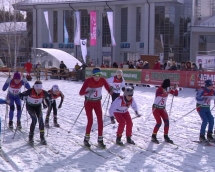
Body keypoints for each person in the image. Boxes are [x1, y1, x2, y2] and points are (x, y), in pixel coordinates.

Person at [79, 67, 112, 148]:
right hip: (88, 103)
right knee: (90, 121)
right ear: (93, 75)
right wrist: (88, 91)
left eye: (99, 75)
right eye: (96, 75)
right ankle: (86, 139)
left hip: (97, 103)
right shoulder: (88, 80)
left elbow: (108, 89)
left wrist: (111, 91)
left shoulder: (102, 80)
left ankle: (100, 139)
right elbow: (81, 92)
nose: (98, 77)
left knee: (100, 121)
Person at [19, 80, 52, 145]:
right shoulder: (30, 91)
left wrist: (50, 99)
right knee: (34, 120)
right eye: (37, 89)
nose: (39, 91)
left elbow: (49, 96)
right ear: (34, 88)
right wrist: (23, 97)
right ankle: (31, 137)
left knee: (41, 120)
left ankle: (42, 137)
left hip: (38, 107)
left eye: (40, 89)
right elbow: (20, 95)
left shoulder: (43, 92)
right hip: (30, 106)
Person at [151, 79, 178, 144]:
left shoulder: (167, 89)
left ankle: (166, 136)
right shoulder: (159, 89)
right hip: (156, 108)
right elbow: (159, 94)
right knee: (159, 123)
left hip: (162, 109)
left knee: (167, 122)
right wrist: (166, 92)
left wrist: (175, 88)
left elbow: (176, 94)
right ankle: (153, 136)